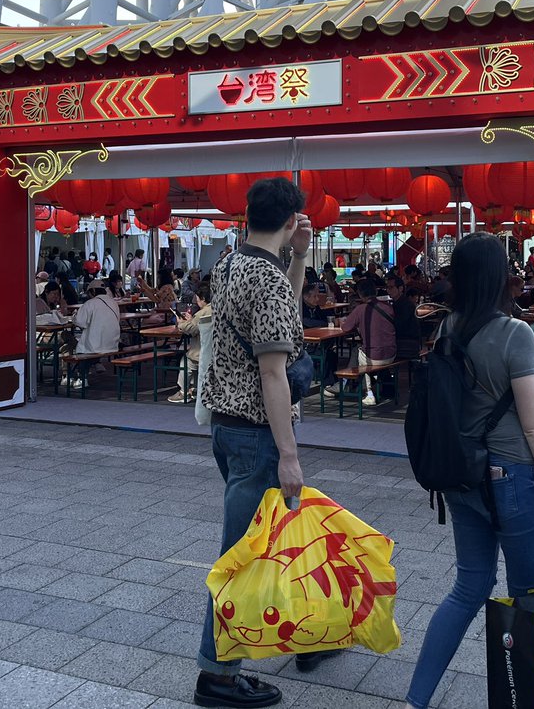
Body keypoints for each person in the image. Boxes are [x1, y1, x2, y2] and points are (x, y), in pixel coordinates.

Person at [403, 233, 534, 709]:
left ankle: (417, 698)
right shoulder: (515, 334)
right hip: (514, 480)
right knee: (527, 598)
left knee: (469, 588)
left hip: (464, 478)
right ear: (500, 276)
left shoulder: (449, 329)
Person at [195, 177, 325, 708]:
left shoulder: (230, 263)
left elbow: (281, 317)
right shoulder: (263, 279)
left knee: (269, 543)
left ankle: (310, 633)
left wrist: (297, 258)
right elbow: (274, 373)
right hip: (255, 435)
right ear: (292, 220)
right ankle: (217, 675)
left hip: (228, 430)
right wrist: (289, 454)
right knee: (241, 555)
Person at [334, 278, 396, 406]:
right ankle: (347, 383)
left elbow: (345, 328)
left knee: (358, 352)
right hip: (392, 354)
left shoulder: (361, 309)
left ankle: (364, 390)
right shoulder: (388, 307)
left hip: (374, 356)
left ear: (360, 294)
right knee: (361, 352)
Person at [69, 282, 122, 386]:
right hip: (113, 343)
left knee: (83, 349)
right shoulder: (113, 303)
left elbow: (80, 322)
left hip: (96, 345)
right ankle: (97, 363)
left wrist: (74, 316)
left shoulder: (90, 303)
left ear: (93, 291)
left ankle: (82, 378)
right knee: (92, 344)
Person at [171, 283, 213, 403]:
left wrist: (181, 323)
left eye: (198, 299)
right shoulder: (216, 309)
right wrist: (191, 320)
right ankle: (194, 389)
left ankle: (184, 392)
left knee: (187, 361)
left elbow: (192, 330)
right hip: (213, 350)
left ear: (203, 299)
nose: (197, 301)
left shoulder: (201, 313)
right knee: (191, 360)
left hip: (201, 351)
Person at [385, 276, 421, 359]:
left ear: (400, 288)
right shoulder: (400, 302)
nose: (388, 290)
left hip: (407, 344)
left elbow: (399, 326)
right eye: (387, 287)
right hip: (406, 342)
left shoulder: (405, 305)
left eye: (391, 287)